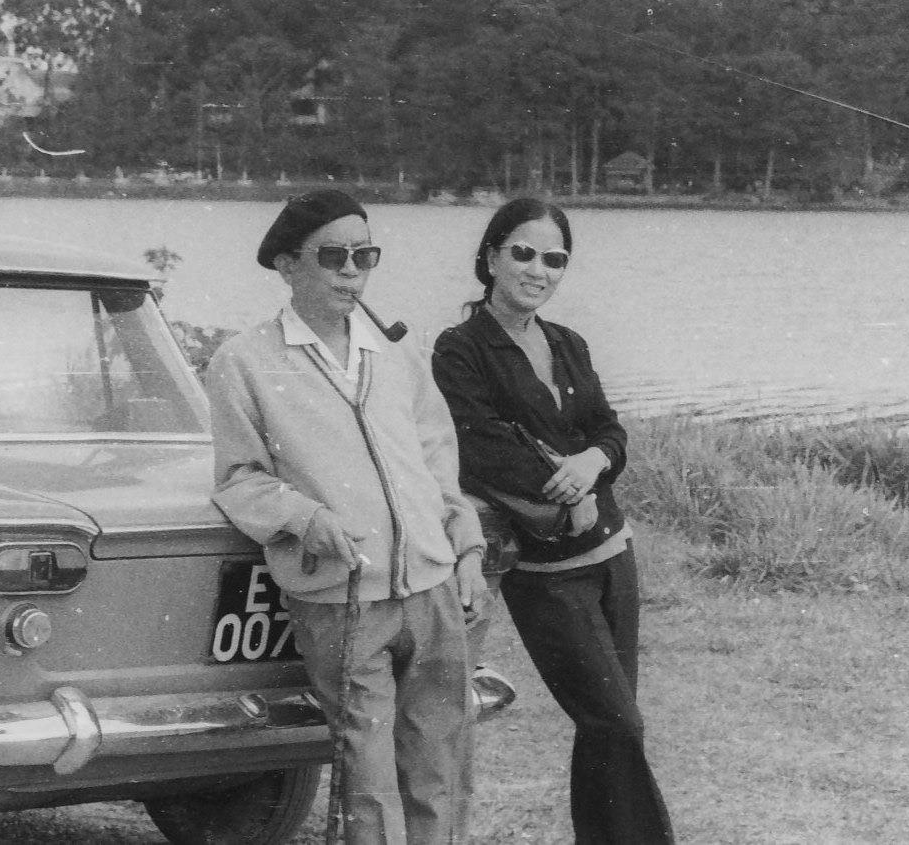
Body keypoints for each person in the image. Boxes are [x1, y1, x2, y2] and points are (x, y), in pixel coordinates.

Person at [206, 188, 488, 844]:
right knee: (368, 770)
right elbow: (237, 479)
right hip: (341, 598)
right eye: (334, 256)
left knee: (439, 763)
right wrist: (303, 517)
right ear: (287, 264)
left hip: (432, 587)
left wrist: (466, 549)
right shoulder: (244, 361)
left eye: (366, 256)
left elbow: (437, 462)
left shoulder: (397, 354)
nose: (352, 271)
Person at [431, 197, 675, 845]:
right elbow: (481, 450)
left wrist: (596, 459)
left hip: (613, 557)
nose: (538, 270)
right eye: (524, 253)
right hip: (547, 574)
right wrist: (569, 491)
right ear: (490, 257)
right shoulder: (460, 350)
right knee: (618, 723)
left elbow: (608, 429)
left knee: (606, 726)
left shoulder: (568, 343)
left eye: (555, 259)